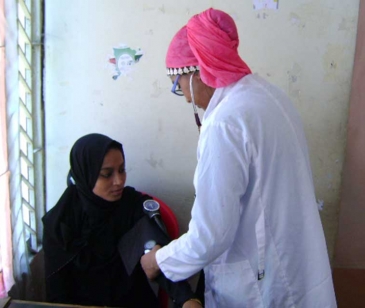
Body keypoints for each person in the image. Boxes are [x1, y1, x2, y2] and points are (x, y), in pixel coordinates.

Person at [141, 8, 337, 308]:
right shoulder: (267, 95)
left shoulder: (225, 123)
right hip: (290, 259)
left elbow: (211, 235)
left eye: (177, 84)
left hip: (262, 279)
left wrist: (159, 260)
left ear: (196, 73)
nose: (187, 97)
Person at [42, 133, 202, 308]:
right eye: (106, 174)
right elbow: (57, 295)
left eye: (121, 170)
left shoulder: (131, 207)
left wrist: (188, 299)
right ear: (85, 175)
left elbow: (155, 255)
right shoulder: (60, 225)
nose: (119, 181)